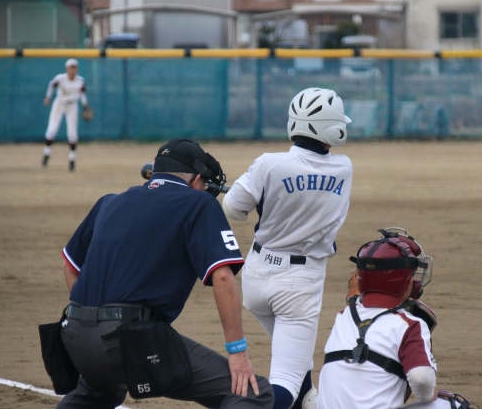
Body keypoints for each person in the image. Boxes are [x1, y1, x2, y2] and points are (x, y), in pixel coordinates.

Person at [55, 138, 273, 408]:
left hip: (73, 336)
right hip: (130, 341)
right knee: (252, 392)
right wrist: (237, 352)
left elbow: (69, 266)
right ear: (195, 179)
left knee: (100, 392)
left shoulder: (109, 202)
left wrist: (91, 320)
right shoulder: (198, 203)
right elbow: (223, 277)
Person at [221, 87, 354, 409]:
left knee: (297, 360)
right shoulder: (344, 167)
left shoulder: (269, 164)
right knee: (286, 380)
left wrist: (256, 197)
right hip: (298, 285)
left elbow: (233, 209)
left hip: (256, 277)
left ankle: (309, 402)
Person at [318, 228, 439, 409]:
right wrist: (429, 393)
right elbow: (421, 378)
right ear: (407, 283)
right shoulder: (410, 325)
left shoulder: (344, 316)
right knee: (449, 403)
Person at [42, 58, 90, 171]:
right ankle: (46, 153)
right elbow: (51, 84)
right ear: (66, 69)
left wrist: (85, 105)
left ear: (77, 69)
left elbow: (82, 94)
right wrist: (48, 97)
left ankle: (72, 159)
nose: (72, 70)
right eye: (70, 68)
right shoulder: (60, 78)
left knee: (72, 134)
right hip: (59, 104)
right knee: (52, 130)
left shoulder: (80, 81)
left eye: (74, 68)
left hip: (72, 106)